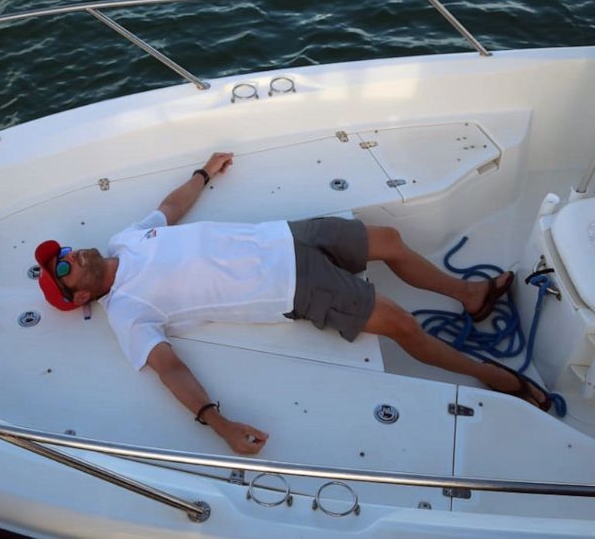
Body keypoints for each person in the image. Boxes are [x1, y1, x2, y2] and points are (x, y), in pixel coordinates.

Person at [35, 152, 548, 455]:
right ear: (80, 295)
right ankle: (497, 378)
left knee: (388, 238)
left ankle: (470, 295)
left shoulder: (125, 239)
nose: (70, 255)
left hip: (284, 235)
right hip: (291, 286)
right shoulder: (126, 311)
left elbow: (169, 208)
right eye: (64, 267)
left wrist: (203, 173)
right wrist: (219, 423)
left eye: (61, 253)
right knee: (401, 324)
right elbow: (169, 369)